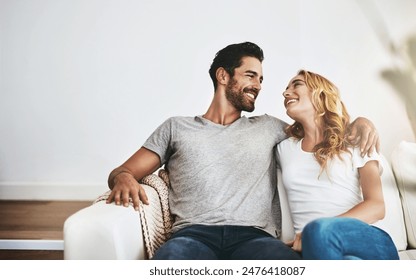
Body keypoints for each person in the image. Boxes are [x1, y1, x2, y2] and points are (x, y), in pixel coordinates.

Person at [105, 42, 379, 260]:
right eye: (250, 75)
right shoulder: (176, 128)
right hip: (192, 236)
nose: (259, 85)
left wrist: (360, 122)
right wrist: (124, 178)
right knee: (170, 265)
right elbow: (124, 171)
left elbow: (318, 128)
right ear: (223, 76)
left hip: (255, 239)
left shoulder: (270, 127)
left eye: (261, 78)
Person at [276, 69, 399, 260]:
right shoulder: (284, 148)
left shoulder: (357, 140)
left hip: (367, 241)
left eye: (296, 84)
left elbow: (376, 206)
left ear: (321, 94)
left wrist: (314, 232)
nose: (286, 93)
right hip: (317, 252)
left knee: (318, 231)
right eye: (286, 89)